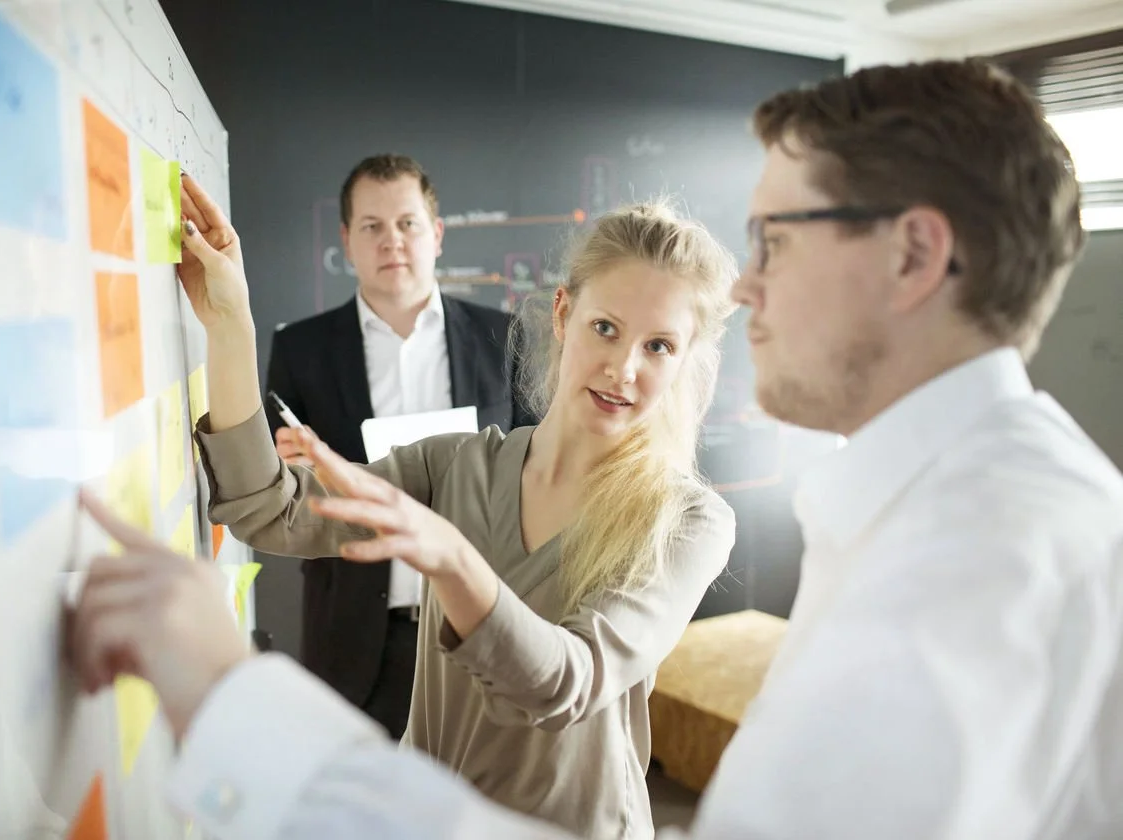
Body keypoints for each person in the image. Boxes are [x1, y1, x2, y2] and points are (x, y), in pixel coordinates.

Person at [66, 57, 1123, 840]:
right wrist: (230, 324)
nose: (748, 287)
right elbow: (271, 509)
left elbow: (567, 683)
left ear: (914, 255)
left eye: (775, 240)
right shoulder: (936, 515)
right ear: (566, 317)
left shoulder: (979, 559)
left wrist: (236, 698)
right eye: (612, 328)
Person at [263, 153, 533, 739]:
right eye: (372, 226)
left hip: (485, 620)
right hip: (357, 633)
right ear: (347, 240)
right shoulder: (301, 351)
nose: (392, 241)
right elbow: (277, 496)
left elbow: (536, 465)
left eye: (407, 223)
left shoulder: (504, 337)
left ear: (436, 234)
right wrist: (291, 467)